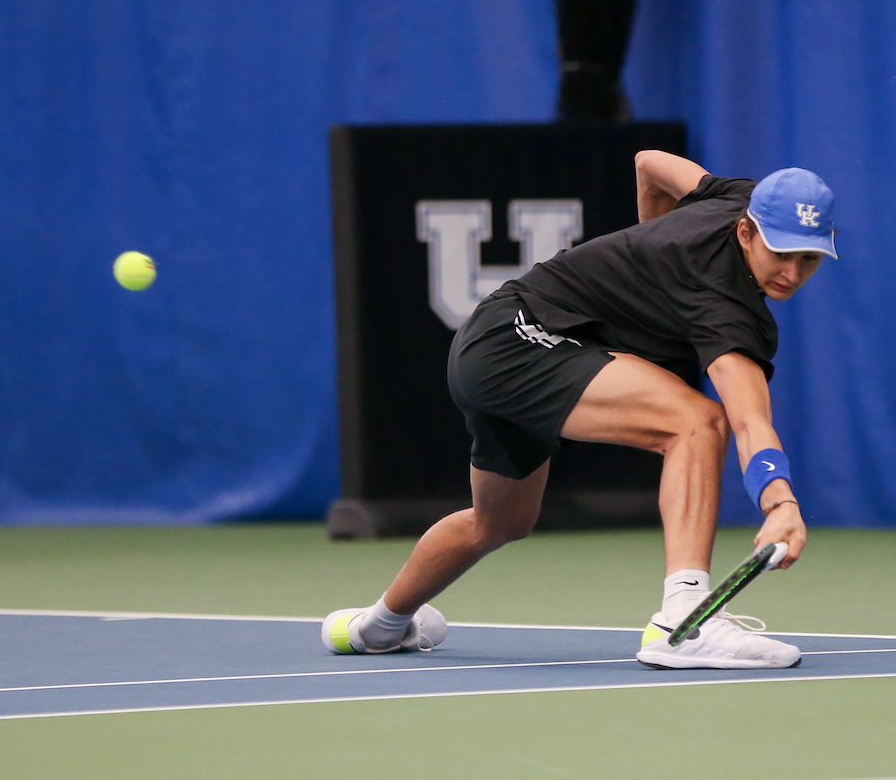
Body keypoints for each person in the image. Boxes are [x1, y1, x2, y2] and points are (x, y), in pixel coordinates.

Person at [322, 150, 837, 669]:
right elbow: (749, 419)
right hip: (517, 339)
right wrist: (780, 504)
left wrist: (652, 266)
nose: (791, 273)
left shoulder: (734, 196)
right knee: (696, 422)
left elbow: (650, 164)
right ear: (747, 231)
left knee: (498, 521)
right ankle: (685, 619)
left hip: (496, 344)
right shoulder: (723, 306)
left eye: (808, 258)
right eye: (780, 253)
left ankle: (379, 626)